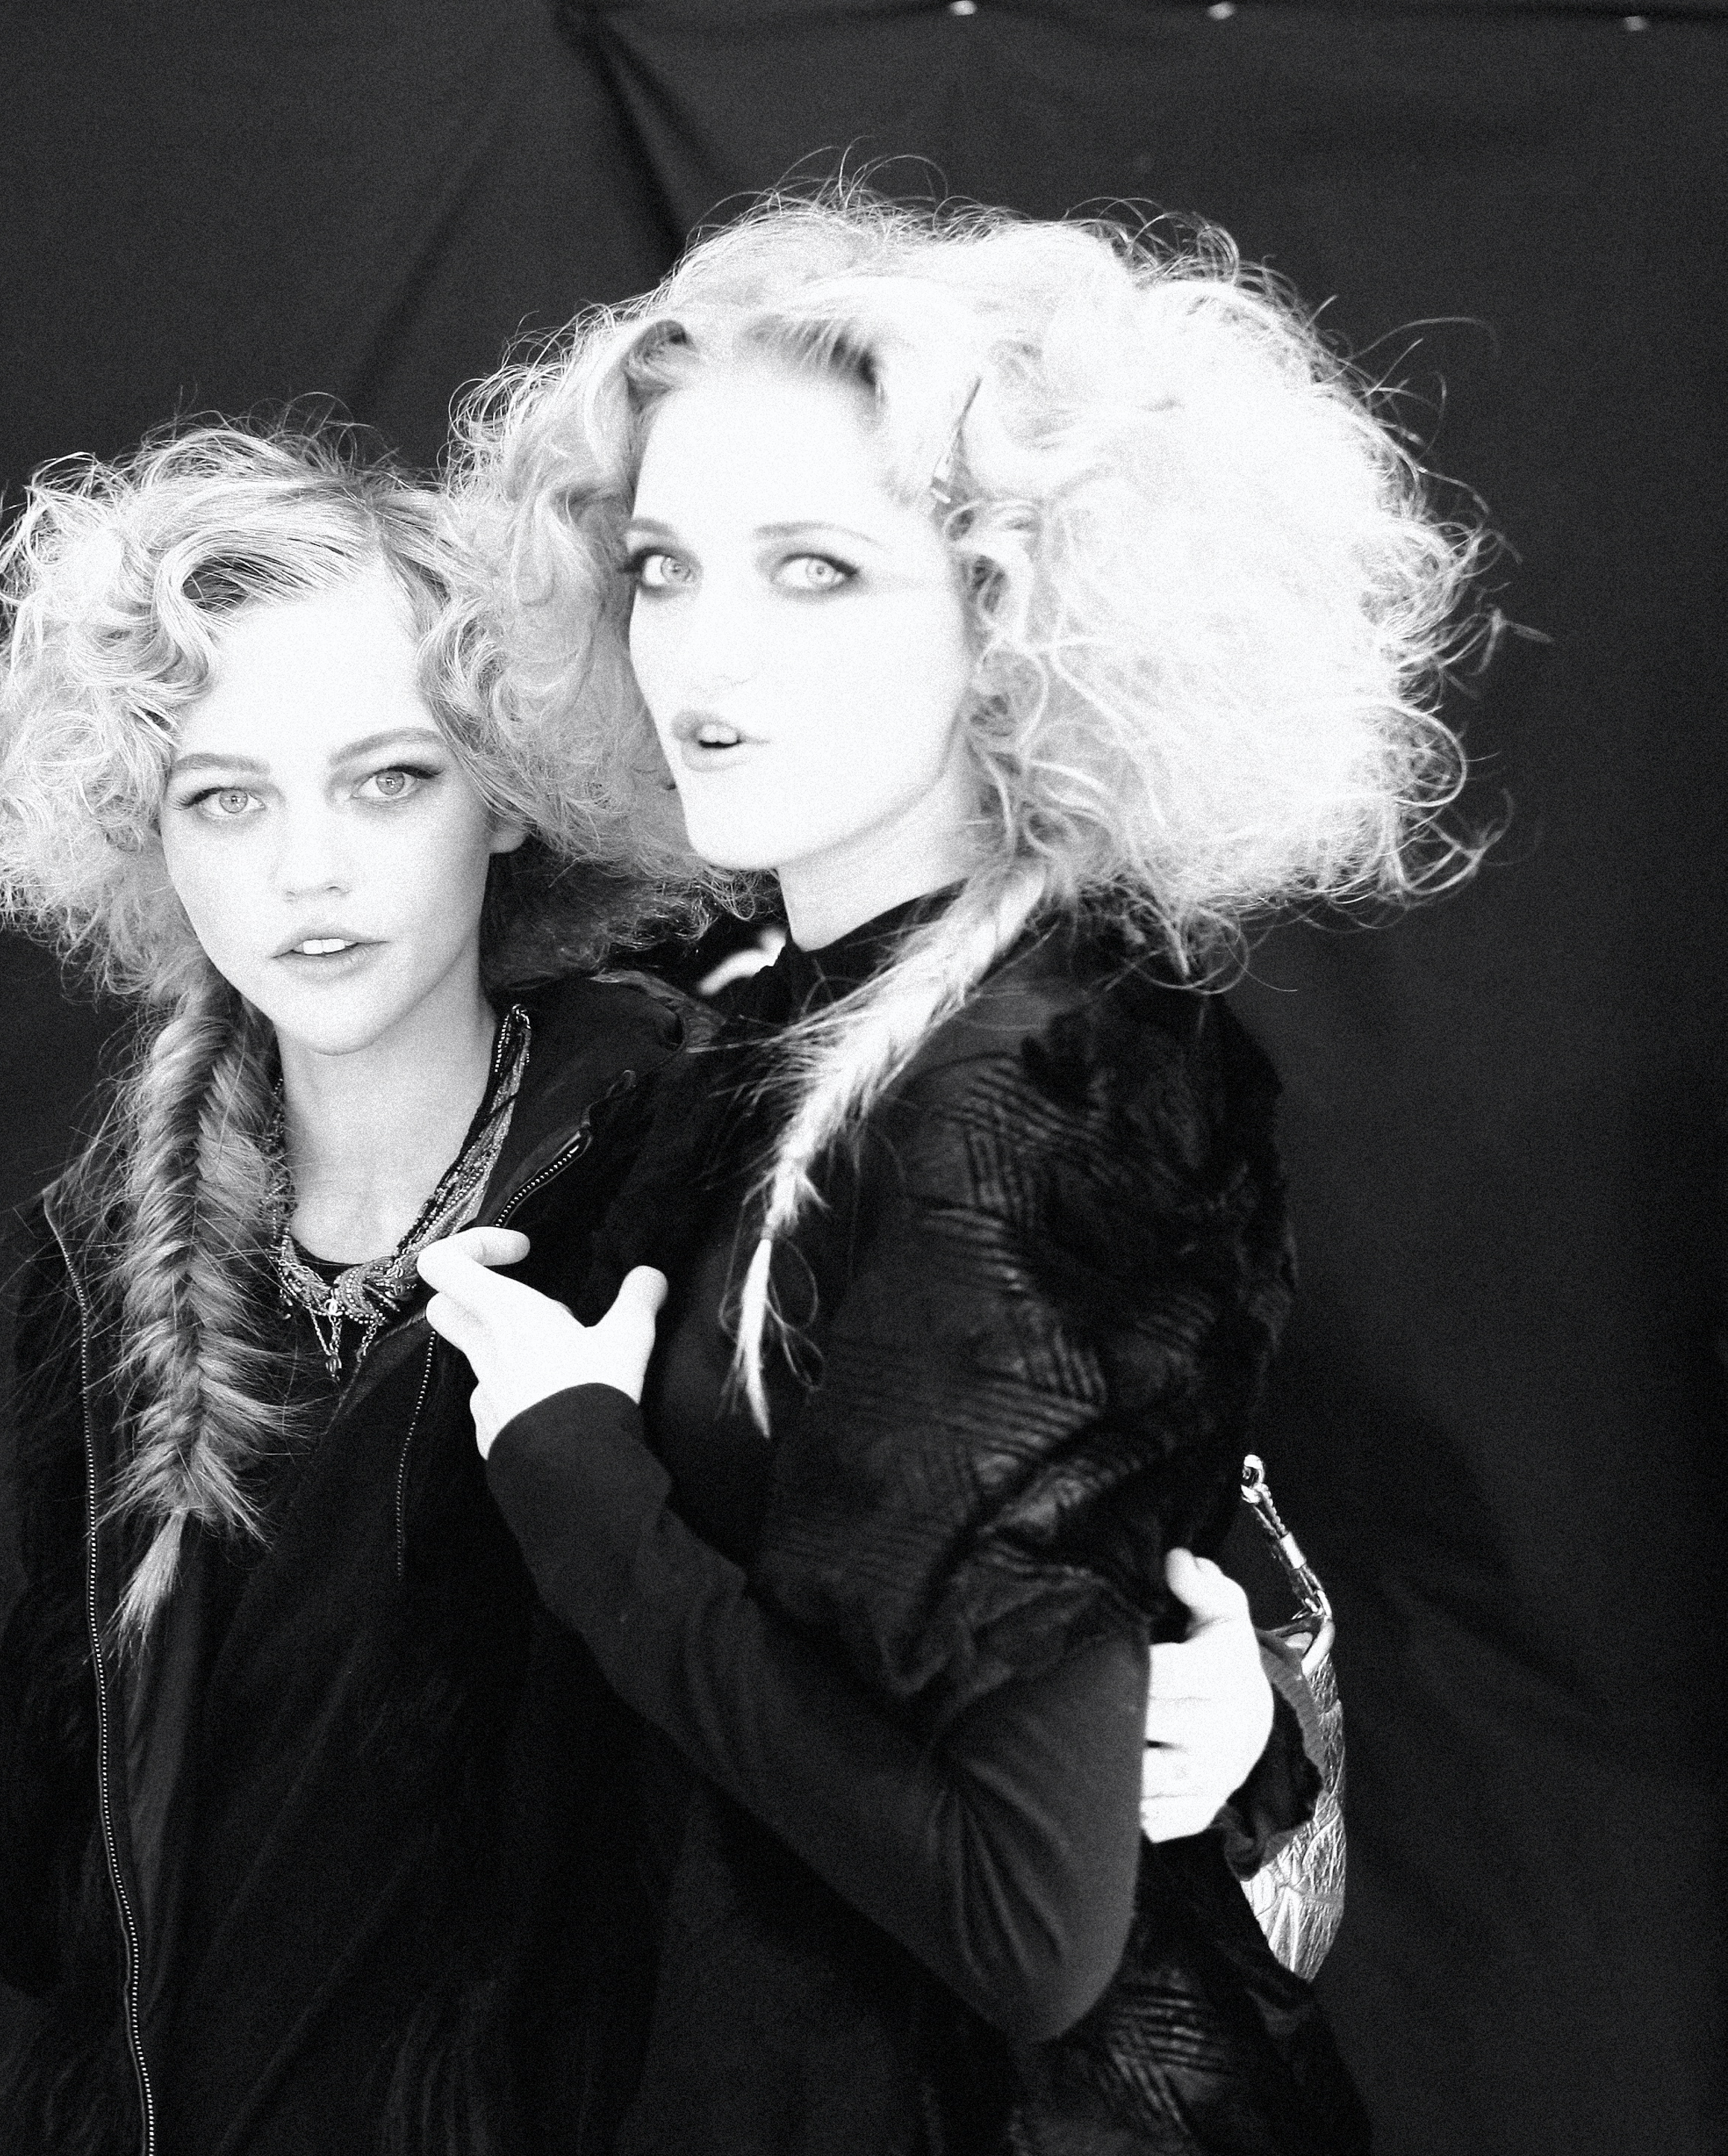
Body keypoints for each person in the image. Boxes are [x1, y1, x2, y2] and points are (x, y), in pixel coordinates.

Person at [0, 421, 1294, 2155]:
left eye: (388, 779)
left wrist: (1232, 1725)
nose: (308, 869)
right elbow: (50, 1935)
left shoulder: (717, 1164)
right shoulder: (94, 1271)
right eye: (225, 797)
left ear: (507, 789)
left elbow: (1043, 1603)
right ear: (143, 834)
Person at [421, 194, 1475, 2152]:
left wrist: (582, 1492)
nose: (704, 651)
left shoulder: (1038, 1077)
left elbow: (1023, 1924)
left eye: (815, 570)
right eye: (663, 567)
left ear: (1012, 616)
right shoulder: (776, 1003)